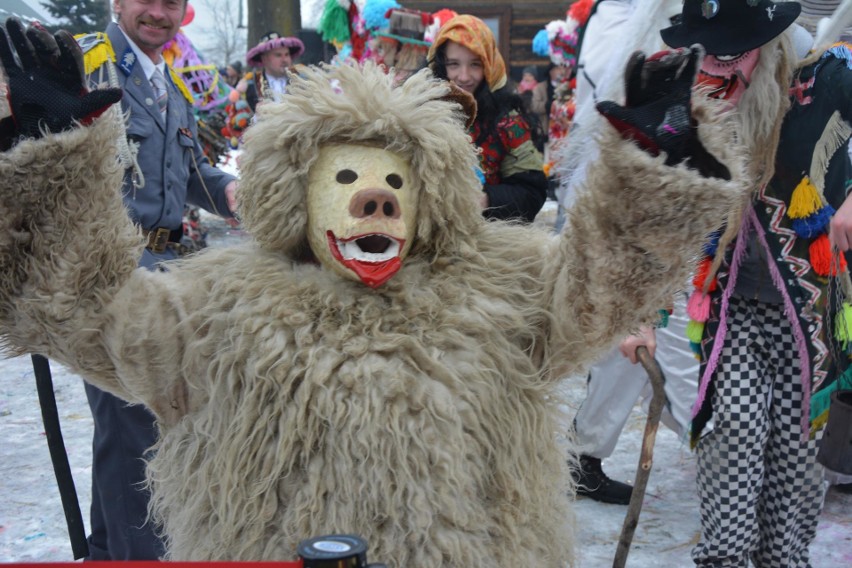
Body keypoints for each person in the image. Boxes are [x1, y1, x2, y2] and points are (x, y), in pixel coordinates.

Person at [659, 0, 852, 564]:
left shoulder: (827, 78)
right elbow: (652, 199)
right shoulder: (696, 95)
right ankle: (723, 557)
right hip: (731, 306)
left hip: (815, 314)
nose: (718, 73)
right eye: (709, 58)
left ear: (766, 46)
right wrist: (637, 316)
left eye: (730, 56)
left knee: (796, 453)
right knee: (734, 428)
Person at [76, 0, 238, 559]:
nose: (158, 13)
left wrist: (237, 193)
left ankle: (106, 551)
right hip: (112, 280)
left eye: (172, 2)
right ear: (117, 2)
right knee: (133, 430)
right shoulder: (91, 69)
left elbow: (189, 173)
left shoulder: (165, 78)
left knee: (135, 429)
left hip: (164, 277)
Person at [428, 15, 548, 222]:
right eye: (454, 64)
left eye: (475, 65)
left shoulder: (508, 122)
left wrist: (486, 200)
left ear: (490, 67)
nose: (464, 76)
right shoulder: (421, 110)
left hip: (484, 236)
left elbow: (531, 193)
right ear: (440, 65)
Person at [242, 31, 304, 112]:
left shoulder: (302, 81)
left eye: (287, 54)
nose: (284, 60)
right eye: (278, 55)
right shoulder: (251, 86)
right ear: (264, 59)